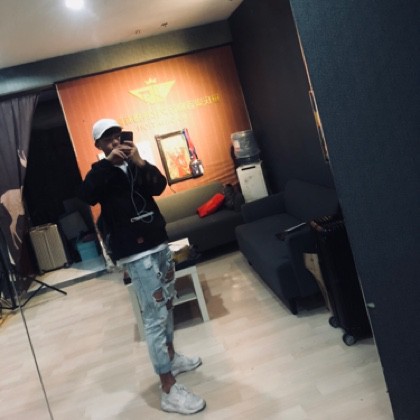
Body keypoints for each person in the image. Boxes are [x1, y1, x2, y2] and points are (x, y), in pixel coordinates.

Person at [79, 118, 206, 415]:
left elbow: (159, 186)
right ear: (98, 145)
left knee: (168, 304)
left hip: (159, 242)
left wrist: (140, 161)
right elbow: (86, 195)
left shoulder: (136, 164)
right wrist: (107, 164)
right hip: (136, 254)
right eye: (107, 139)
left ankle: (171, 357)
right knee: (154, 317)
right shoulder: (101, 172)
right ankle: (168, 388)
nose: (115, 142)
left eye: (117, 135)